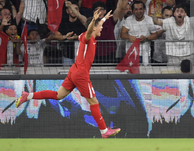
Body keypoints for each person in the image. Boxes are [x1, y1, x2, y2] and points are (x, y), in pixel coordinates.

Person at [15, 9, 121, 138]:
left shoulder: (84, 36)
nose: (102, 28)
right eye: (101, 26)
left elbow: (90, 29)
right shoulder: (88, 37)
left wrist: (103, 19)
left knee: (58, 95)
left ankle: (28, 95)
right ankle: (104, 131)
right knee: (94, 102)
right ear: (93, 27)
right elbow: (90, 30)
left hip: (74, 71)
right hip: (81, 74)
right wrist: (94, 21)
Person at [121, 1, 158, 65]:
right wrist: (129, 37)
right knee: (131, 74)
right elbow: (122, 34)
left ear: (144, 10)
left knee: (145, 74)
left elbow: (155, 35)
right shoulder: (129, 20)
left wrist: (146, 38)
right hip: (131, 54)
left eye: (141, 9)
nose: (139, 11)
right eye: (136, 9)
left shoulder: (149, 19)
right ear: (133, 11)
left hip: (145, 54)